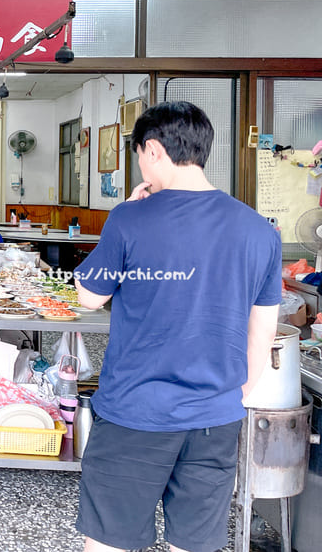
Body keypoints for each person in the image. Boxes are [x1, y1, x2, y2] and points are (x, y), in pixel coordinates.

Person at [73, 101, 281, 552]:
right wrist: (230, 397)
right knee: (194, 543)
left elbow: (89, 296)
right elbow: (262, 333)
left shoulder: (130, 217)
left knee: (111, 539)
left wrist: (125, 211)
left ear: (152, 150)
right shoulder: (260, 231)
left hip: (135, 410)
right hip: (216, 416)